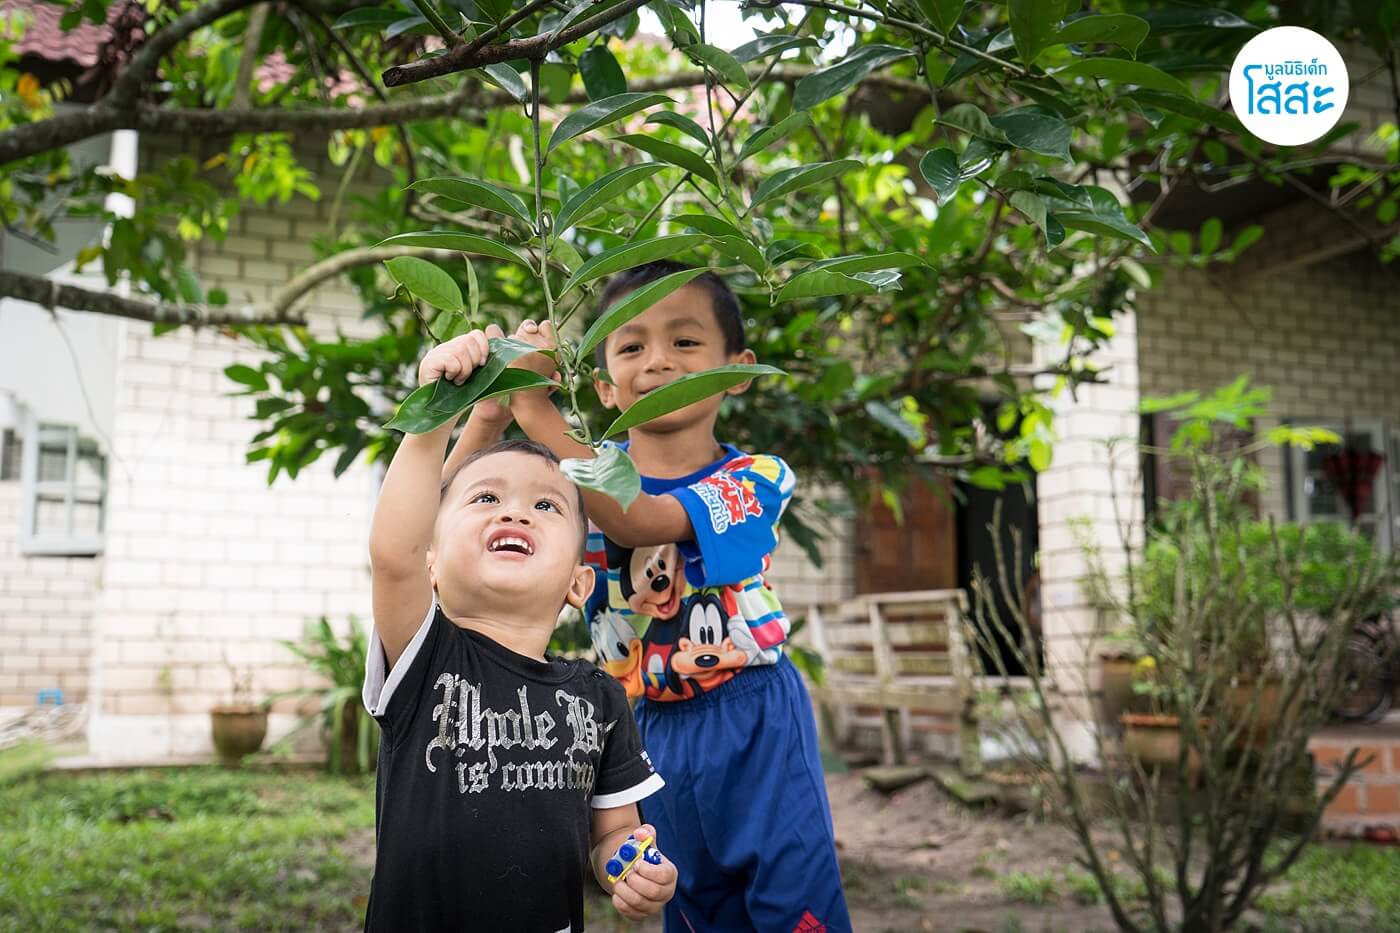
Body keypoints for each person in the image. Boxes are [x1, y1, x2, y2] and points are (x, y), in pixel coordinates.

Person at [498, 263, 852, 932]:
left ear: (737, 369)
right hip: (646, 730)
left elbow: (640, 518)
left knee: (791, 905)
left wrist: (534, 409)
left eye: (685, 342)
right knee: (690, 907)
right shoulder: (573, 491)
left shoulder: (753, 480)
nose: (656, 360)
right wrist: (502, 387)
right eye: (631, 346)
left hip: (753, 718)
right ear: (603, 384)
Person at [362, 327, 677, 931]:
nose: (513, 511)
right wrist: (438, 409)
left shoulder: (600, 698)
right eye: (484, 500)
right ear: (432, 560)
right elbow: (396, 549)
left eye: (546, 506)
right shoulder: (425, 660)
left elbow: (615, 829)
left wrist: (631, 867)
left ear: (578, 584)